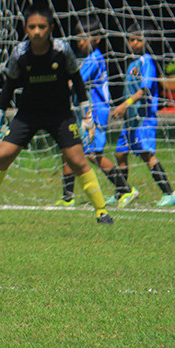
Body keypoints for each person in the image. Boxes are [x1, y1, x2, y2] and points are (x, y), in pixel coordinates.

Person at [0, 2, 113, 225]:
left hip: (60, 114)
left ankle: (102, 213)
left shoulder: (62, 51)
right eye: (32, 26)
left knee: (78, 161)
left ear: (51, 28)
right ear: (26, 28)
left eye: (42, 27)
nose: (37, 31)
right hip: (28, 114)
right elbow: (9, 86)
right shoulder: (20, 54)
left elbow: (77, 81)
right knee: (2, 156)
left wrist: (87, 115)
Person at [56, 17, 135, 207]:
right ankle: (67, 197)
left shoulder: (95, 57)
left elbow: (75, 81)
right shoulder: (83, 58)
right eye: (78, 37)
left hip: (96, 113)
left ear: (97, 38)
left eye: (85, 37)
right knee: (67, 149)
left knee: (93, 154)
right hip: (82, 112)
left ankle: (126, 190)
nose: (80, 42)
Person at [109, 25, 175, 206]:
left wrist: (125, 105)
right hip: (131, 120)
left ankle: (170, 193)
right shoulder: (133, 63)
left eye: (138, 39)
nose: (134, 43)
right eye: (131, 39)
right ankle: (122, 192)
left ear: (147, 42)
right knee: (120, 153)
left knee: (146, 154)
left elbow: (144, 89)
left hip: (144, 118)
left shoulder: (147, 61)